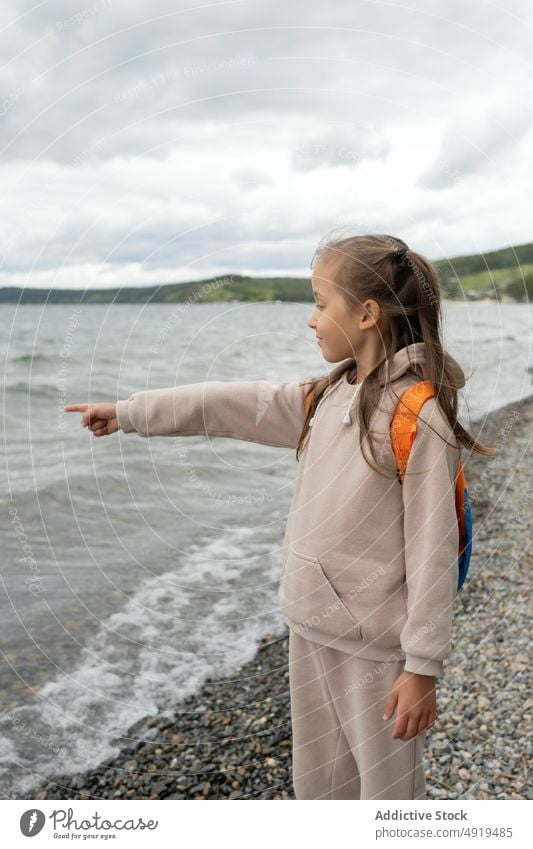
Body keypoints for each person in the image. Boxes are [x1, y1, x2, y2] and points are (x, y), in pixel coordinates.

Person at [64, 232, 498, 800]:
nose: (311, 319)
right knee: (320, 793)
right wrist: (127, 412)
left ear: (366, 314)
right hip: (309, 628)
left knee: (389, 801)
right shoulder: (324, 397)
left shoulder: (420, 415)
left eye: (321, 302)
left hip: (380, 651)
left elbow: (432, 549)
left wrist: (422, 666)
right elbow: (228, 403)